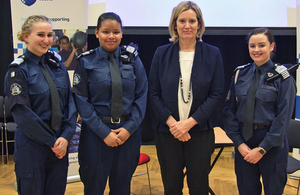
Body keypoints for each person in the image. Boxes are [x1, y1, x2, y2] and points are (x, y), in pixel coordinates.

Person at [148, 1, 224, 194]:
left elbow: (216, 95)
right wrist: (175, 125)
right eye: (182, 20)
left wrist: (188, 124)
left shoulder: (213, 54)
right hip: (167, 132)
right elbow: (153, 92)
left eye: (192, 20)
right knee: (171, 186)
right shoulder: (161, 53)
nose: (187, 25)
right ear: (175, 24)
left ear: (199, 24)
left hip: (199, 132)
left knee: (199, 186)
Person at [72, 12, 148, 194]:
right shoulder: (85, 62)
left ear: (122, 33)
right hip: (96, 136)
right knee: (93, 187)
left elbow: (142, 95)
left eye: (116, 32)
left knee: (122, 188)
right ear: (97, 33)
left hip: (127, 135)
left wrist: (129, 129)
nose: (111, 36)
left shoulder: (133, 60)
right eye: (106, 31)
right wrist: (104, 133)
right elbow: (81, 101)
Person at [4, 15, 77, 195]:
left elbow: (70, 102)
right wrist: (52, 142)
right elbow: (22, 114)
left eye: (50, 35)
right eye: (40, 35)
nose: (46, 40)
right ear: (26, 36)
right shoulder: (18, 70)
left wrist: (66, 137)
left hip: (60, 144)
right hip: (33, 145)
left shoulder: (57, 65)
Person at [222, 27, 296, 195]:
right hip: (244, 145)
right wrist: (239, 143)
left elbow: (283, 119)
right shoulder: (239, 74)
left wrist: (262, 149)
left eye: (261, 45)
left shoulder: (283, 78)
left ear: (272, 46)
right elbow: (229, 111)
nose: (256, 50)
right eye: (252, 46)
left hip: (272, 146)